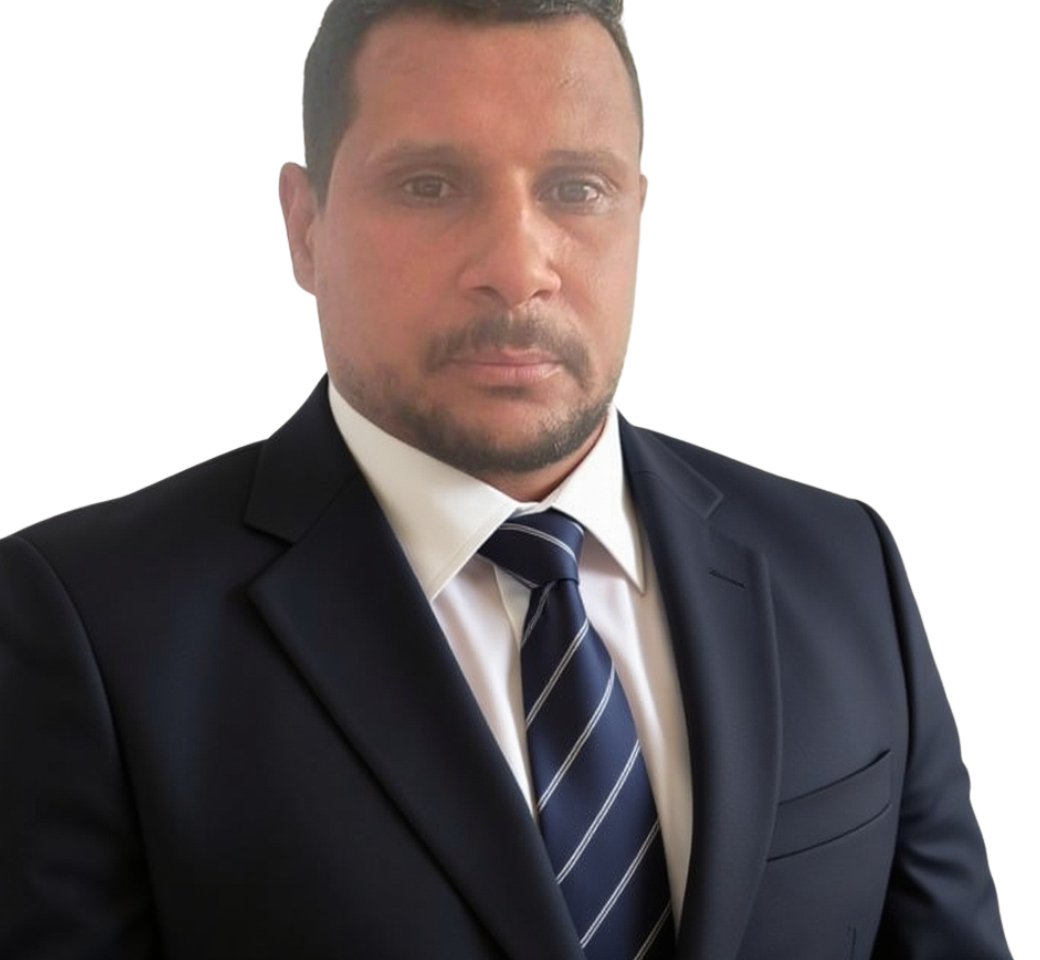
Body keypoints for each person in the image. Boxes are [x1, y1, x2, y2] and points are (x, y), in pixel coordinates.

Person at [0, 1, 1014, 957]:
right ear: (305, 227)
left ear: (636, 212)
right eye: (429, 187)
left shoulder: (842, 567)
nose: (517, 267)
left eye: (576, 189)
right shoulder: (85, 626)